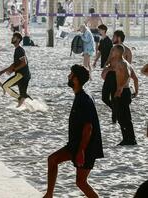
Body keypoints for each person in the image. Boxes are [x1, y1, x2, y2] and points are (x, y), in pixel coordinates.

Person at [44, 64, 103, 198]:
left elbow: (89, 127)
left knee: (81, 182)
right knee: (52, 160)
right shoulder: (80, 95)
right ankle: (49, 195)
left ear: (76, 79)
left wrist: (81, 150)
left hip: (86, 147)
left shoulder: (84, 99)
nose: (68, 76)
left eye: (71, 75)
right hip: (75, 145)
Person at [101, 45, 138, 145]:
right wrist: (136, 91)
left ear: (117, 52)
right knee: (124, 117)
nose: (111, 52)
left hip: (122, 92)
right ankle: (129, 138)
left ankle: (129, 139)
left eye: (113, 50)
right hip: (125, 92)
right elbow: (135, 78)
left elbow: (126, 75)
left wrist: (120, 88)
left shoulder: (121, 63)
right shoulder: (122, 63)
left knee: (123, 117)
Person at [0, 32, 31, 107]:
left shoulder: (20, 50)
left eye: (14, 37)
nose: (12, 38)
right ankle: (36, 104)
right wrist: (3, 71)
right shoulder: (17, 49)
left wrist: (13, 70)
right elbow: (14, 64)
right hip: (25, 75)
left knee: (5, 86)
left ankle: (20, 99)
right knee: (24, 94)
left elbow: (24, 63)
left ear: (18, 39)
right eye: (12, 37)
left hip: (21, 75)